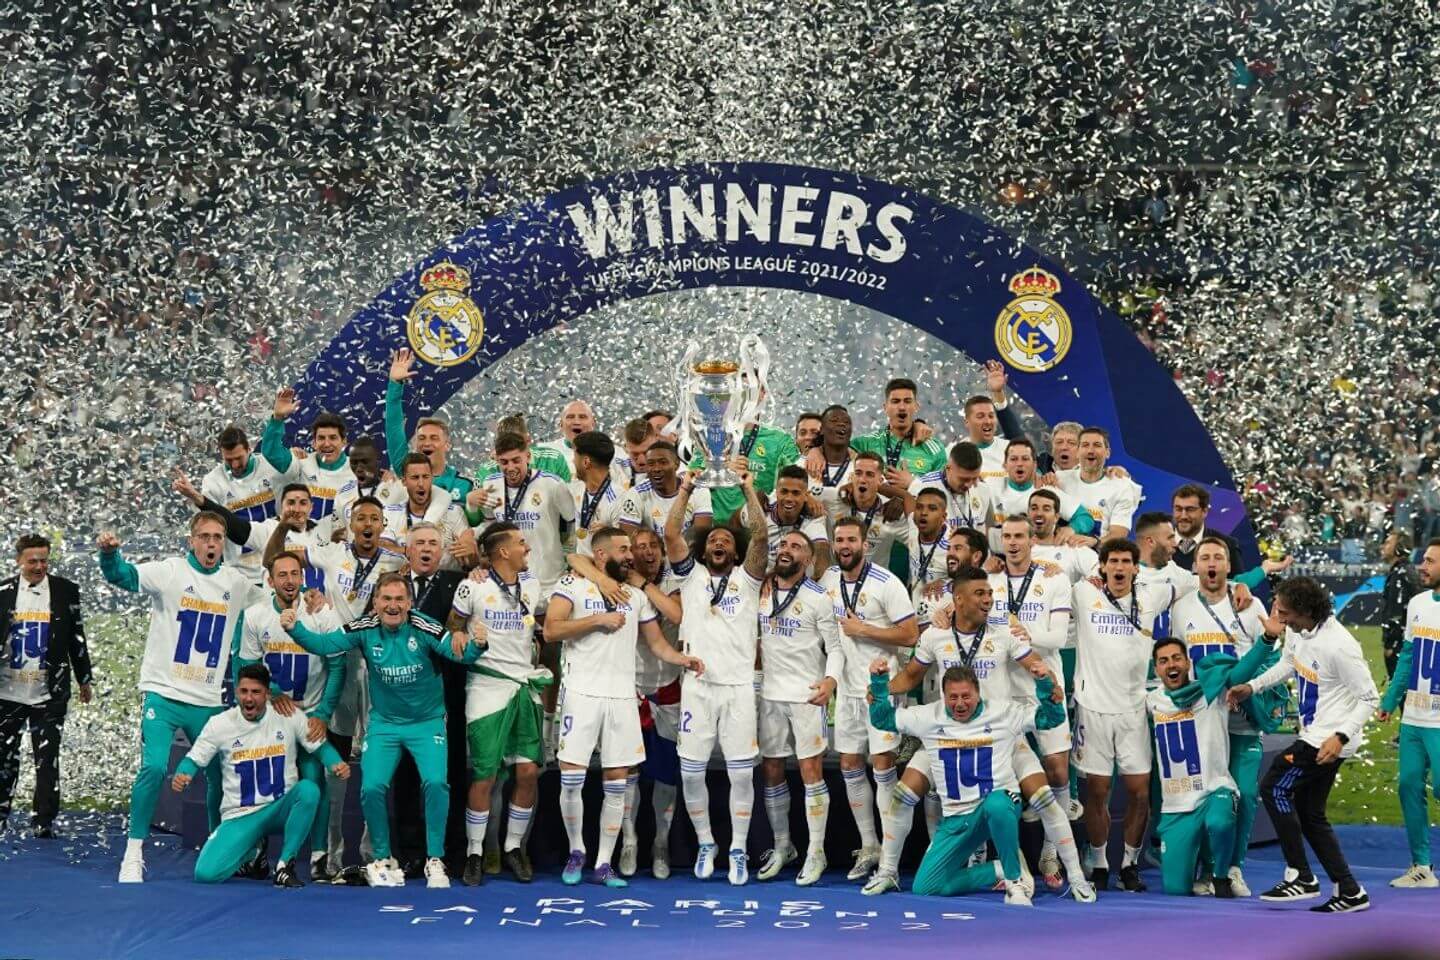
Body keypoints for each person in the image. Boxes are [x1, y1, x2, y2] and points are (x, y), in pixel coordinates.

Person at [871, 565, 1088, 902]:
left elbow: (1034, 664)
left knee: (1045, 800)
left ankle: (1076, 878)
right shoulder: (935, 635)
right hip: (949, 736)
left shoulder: (1003, 632)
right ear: (958, 600)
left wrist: (1050, 682)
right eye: (980, 594)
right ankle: (887, 872)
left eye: (990, 594)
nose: (988, 599)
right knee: (902, 795)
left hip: (1000, 735)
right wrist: (880, 691)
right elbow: (911, 676)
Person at [280, 571, 487, 888]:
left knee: (435, 783)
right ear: (375, 603)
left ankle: (435, 859)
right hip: (384, 725)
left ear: (410, 603)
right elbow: (324, 644)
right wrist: (294, 628)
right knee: (372, 787)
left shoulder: (425, 626)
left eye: (399, 599)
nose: (393, 605)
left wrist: (478, 645)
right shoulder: (364, 628)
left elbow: (458, 653)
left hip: (427, 723)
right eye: (386, 599)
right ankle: (382, 859)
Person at [98, 513, 250, 883]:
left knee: (222, 772)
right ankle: (133, 852)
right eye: (205, 536)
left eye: (218, 537)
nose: (211, 543)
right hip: (164, 693)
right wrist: (109, 555)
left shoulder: (237, 583)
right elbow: (123, 576)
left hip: (206, 699)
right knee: (153, 767)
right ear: (191, 540)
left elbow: (275, 598)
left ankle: (218, 844)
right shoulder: (171, 572)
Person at [546, 527, 702, 888]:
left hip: (621, 698)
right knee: (571, 779)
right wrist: (597, 620)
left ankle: (604, 862)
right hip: (581, 694)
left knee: (617, 784)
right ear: (601, 555)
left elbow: (657, 644)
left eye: (630, 549)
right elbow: (551, 630)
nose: (630, 555)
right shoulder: (573, 584)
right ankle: (576, 851)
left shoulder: (636, 596)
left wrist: (682, 659)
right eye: (623, 549)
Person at [1229, 576, 1378, 913]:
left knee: (1274, 787)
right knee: (1311, 814)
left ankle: (1301, 875)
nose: (1279, 618)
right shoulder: (1299, 632)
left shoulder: (1339, 645)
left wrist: (1340, 736)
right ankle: (1350, 890)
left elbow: (1369, 698)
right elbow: (1287, 664)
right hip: (1315, 734)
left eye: (1284, 612)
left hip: (1327, 739)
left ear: (1306, 610)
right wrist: (1253, 687)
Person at [867, 661, 1063, 906]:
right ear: (943, 696)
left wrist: (1045, 685)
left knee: (997, 803)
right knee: (925, 887)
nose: (960, 703)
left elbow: (1051, 719)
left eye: (966, 696)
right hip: (956, 819)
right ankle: (998, 869)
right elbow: (882, 720)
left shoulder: (1002, 712)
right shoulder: (928, 716)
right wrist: (879, 683)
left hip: (996, 805)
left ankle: (1015, 883)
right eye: (953, 697)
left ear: (978, 693)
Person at [662, 468, 768, 884]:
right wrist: (686, 488)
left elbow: (761, 535)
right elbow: (672, 533)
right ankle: (707, 842)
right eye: (712, 541)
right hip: (699, 688)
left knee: (741, 773)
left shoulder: (748, 580)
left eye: (726, 540)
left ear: (736, 553)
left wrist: (747, 486)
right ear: (703, 552)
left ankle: (738, 847)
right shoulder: (690, 577)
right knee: (691, 772)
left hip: (738, 689)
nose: (719, 543)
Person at [1170, 536, 1287, 896]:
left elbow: (1273, 658)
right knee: (1207, 796)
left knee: (1246, 794)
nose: (1211, 563)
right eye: (1204, 557)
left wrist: (1249, 688)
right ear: (1195, 566)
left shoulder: (1250, 606)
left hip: (1242, 719)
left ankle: (1234, 867)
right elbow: (1178, 661)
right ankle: (1209, 869)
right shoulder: (1182, 608)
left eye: (1218, 557)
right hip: (1202, 720)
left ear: (1228, 566)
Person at [175, 663, 350, 887]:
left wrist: (336, 763)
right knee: (205, 874)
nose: (249, 698)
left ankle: (284, 865)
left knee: (308, 790)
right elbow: (194, 758)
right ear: (236, 692)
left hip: (280, 808)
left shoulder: (288, 715)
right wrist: (183, 774)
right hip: (241, 815)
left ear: (267, 694)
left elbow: (319, 746)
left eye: (256, 692)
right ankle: (252, 852)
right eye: (244, 691)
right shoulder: (219, 724)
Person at [1071, 537, 1179, 892]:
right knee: (1097, 792)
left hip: (1133, 709)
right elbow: (1051, 564)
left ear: (1136, 567)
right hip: (1092, 708)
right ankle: (1100, 862)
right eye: (1113, 561)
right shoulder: (1083, 593)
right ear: (1102, 566)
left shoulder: (1151, 596)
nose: (1119, 567)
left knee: (1140, 793)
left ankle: (1130, 864)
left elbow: (1189, 582)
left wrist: (1241, 586)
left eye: (1125, 562)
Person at [233, 552, 344, 879]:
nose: (290, 580)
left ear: (303, 577)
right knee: (263, 784)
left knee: (314, 781)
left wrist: (322, 713)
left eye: (295, 574)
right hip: (272, 716)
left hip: (309, 715)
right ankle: (257, 853)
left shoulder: (321, 614)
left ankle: (319, 857)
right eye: (282, 575)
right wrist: (273, 693)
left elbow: (338, 666)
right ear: (270, 580)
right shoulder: (256, 615)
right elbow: (247, 667)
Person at [821, 515, 919, 882]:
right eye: (840, 540)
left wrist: (864, 629)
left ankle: (891, 856)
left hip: (880, 690)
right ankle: (869, 846)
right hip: (847, 691)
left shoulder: (886, 582)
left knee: (882, 767)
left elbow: (910, 635)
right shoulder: (829, 579)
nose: (845, 546)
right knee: (849, 765)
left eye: (851, 540)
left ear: (865, 544)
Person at [449, 522, 546, 885]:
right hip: (486, 687)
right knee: (485, 774)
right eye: (521, 543)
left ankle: (513, 848)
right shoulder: (472, 585)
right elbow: (453, 625)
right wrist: (459, 634)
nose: (527, 548)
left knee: (527, 772)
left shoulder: (532, 583)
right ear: (503, 551)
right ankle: (475, 852)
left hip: (523, 685)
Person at [986, 516, 1078, 888]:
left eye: (1019, 536)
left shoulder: (1054, 578)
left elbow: (1056, 639)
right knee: (1003, 778)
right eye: (1007, 536)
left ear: (1031, 541)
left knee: (1057, 771)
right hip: (1003, 690)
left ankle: (1050, 853)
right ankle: (1011, 864)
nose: (1012, 542)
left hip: (1045, 686)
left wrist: (1019, 631)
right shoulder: (990, 581)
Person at [1146, 634, 1276, 897]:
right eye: (1163, 661)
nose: (1171, 665)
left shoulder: (1212, 691)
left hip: (1213, 790)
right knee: (1176, 889)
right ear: (1156, 669)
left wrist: (1267, 638)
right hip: (1177, 805)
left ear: (1188, 663)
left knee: (1219, 821)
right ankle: (1197, 867)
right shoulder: (1151, 701)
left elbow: (1240, 673)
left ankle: (1220, 875)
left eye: (1177, 658)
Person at [755, 530, 841, 886]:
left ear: (808, 559)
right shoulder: (760, 590)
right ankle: (782, 845)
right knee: (772, 769)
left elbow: (835, 647)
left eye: (796, 547)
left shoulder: (819, 598)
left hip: (806, 694)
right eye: (783, 545)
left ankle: (816, 851)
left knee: (810, 771)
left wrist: (830, 681)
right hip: (770, 694)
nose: (786, 550)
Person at [388, 523, 469, 877]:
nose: (426, 549)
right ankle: (410, 853)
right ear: (407, 550)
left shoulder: (459, 583)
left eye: (433, 544)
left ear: (442, 551)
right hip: (402, 696)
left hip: (447, 693)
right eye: (419, 543)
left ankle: (452, 851)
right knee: (405, 776)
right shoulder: (392, 587)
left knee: (449, 775)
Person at [0, 534, 93, 837]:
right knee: (4, 758)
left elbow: (76, 636)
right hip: (7, 693)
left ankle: (44, 820)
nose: (39, 566)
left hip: (49, 692)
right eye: (33, 561)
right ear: (18, 560)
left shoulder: (65, 591)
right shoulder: (3, 592)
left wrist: (84, 677)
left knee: (47, 758)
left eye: (44, 560)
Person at [1377, 537, 1440, 889]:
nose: (1422, 566)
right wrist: (1390, 701)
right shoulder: (1417, 603)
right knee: (1408, 786)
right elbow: (1408, 657)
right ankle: (1422, 866)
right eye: (1424, 560)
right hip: (1414, 717)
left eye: (1430, 561)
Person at [385, 347, 478, 504]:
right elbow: (393, 426)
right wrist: (395, 384)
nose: (426, 443)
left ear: (447, 445)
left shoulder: (463, 485)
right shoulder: (406, 471)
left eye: (434, 438)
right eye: (421, 438)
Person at [262, 388, 357, 523]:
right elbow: (271, 452)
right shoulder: (302, 464)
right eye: (321, 438)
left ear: (344, 442)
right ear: (314, 443)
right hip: (303, 534)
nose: (327, 444)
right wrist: (278, 418)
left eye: (333, 438)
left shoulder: (357, 471)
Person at [201, 424, 286, 570]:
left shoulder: (271, 466)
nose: (235, 465)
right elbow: (210, 529)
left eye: (239, 458)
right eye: (228, 460)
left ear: (249, 449)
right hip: (239, 569)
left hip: (278, 562)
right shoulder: (213, 482)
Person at [380, 453, 475, 569]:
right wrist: (415, 551)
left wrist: (471, 551)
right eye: (415, 477)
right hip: (403, 578)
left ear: (432, 478)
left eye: (425, 477)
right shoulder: (390, 513)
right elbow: (382, 550)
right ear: (404, 481)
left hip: (445, 578)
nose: (421, 484)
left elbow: (471, 562)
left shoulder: (454, 513)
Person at [849, 378, 947, 476]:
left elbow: (942, 484)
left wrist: (912, 483)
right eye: (895, 401)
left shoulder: (935, 449)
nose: (902, 407)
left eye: (907, 401)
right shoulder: (864, 444)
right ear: (885, 408)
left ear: (916, 406)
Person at [1057, 428, 1139, 540]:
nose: (1090, 450)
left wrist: (1095, 543)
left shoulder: (1122, 487)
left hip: (1101, 549)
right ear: (1077, 452)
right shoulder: (1059, 479)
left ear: (1107, 453)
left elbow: (1118, 533)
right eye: (1085, 445)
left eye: (1097, 445)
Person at [619, 440, 713, 538]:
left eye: (663, 462)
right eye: (651, 464)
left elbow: (701, 537)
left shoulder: (697, 488)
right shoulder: (636, 494)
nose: (656, 469)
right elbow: (628, 539)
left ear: (676, 464)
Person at [765, 465, 830, 575]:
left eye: (796, 493)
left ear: (806, 496)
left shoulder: (813, 516)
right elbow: (736, 523)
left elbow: (821, 551)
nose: (789, 498)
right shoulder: (763, 507)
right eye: (784, 491)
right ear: (776, 492)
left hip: (792, 580)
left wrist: (815, 578)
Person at [570, 431, 626, 556]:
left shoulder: (619, 499)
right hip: (581, 563)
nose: (573, 461)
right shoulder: (575, 488)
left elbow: (625, 550)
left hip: (606, 566)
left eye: (575, 456)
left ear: (586, 462)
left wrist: (608, 534)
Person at [1170, 484, 1243, 573]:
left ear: (1204, 512)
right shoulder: (1158, 544)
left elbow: (1238, 582)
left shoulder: (1227, 545)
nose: (1183, 516)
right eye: (1178, 509)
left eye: (1190, 509)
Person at [1380, 530, 1420, 679]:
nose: (1383, 546)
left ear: (1399, 548)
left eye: (1388, 543)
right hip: (1409, 643)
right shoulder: (1407, 570)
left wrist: (1391, 644)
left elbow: (1396, 613)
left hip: (1401, 646)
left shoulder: (1400, 574)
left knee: (1401, 689)